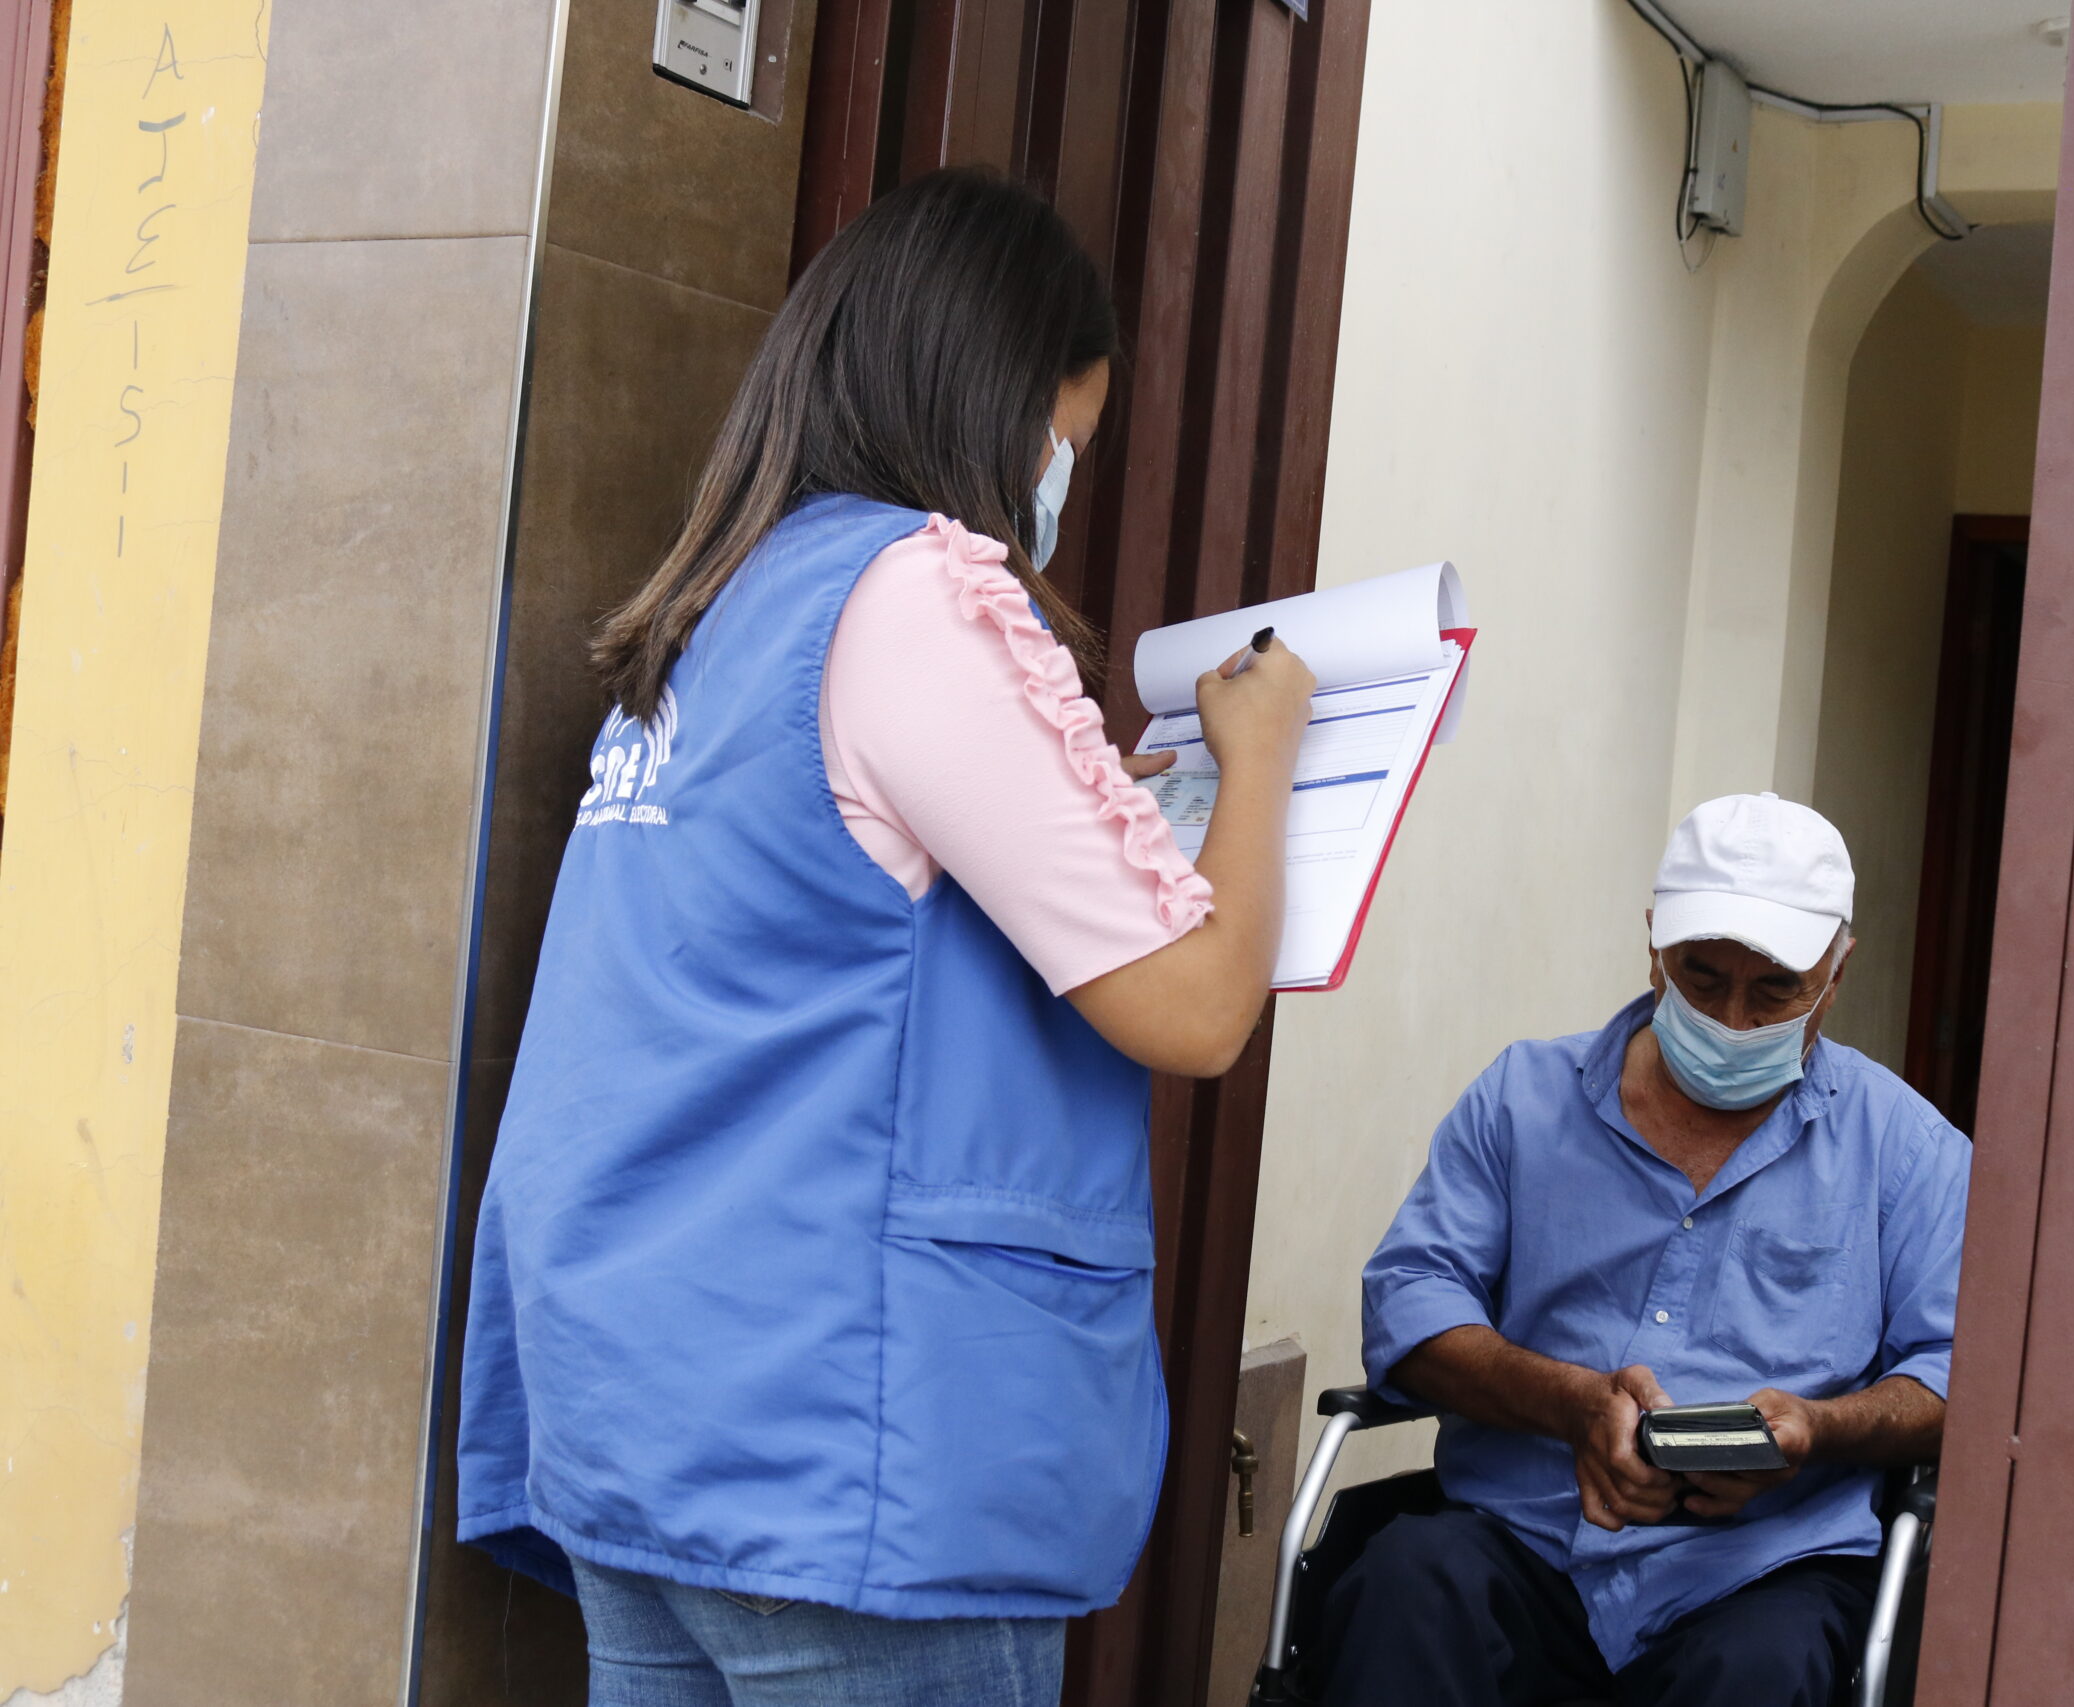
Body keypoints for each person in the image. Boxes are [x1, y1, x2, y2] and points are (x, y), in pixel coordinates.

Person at [455, 168, 1315, 1707]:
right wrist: (1258, 764)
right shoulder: (918, 591)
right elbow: (1195, 1006)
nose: (1057, 481)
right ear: (996, 397)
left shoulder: (714, 607)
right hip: (839, 1448)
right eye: (1068, 440)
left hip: (638, 1418)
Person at [1324, 793, 1969, 1707]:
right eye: (1701, 979)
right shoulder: (1523, 1099)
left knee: (1766, 1672)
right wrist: (1574, 1407)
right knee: (1404, 1584)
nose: (1734, 1022)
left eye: (1776, 989)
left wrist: (1814, 1429)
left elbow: (1953, 1373)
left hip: (1758, 1573)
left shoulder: (1905, 1150)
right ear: (1653, 940)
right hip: (1520, 1541)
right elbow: (1410, 1298)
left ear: (1838, 970)